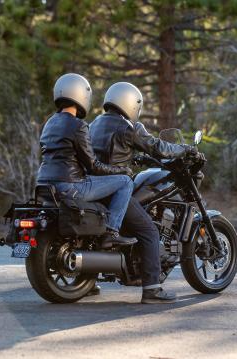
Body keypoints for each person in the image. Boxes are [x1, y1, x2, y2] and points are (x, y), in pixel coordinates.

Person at [89, 82, 197, 304]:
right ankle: (152, 290)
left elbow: (108, 154)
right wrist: (184, 149)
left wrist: (135, 157)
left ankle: (88, 282)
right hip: (116, 192)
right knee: (149, 231)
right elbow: (158, 147)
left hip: (93, 189)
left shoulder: (94, 125)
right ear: (131, 103)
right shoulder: (129, 127)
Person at [36, 73, 135, 248]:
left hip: (43, 186)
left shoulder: (49, 123)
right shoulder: (78, 125)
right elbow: (93, 166)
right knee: (125, 182)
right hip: (70, 186)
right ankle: (111, 232)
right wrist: (123, 170)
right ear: (82, 95)